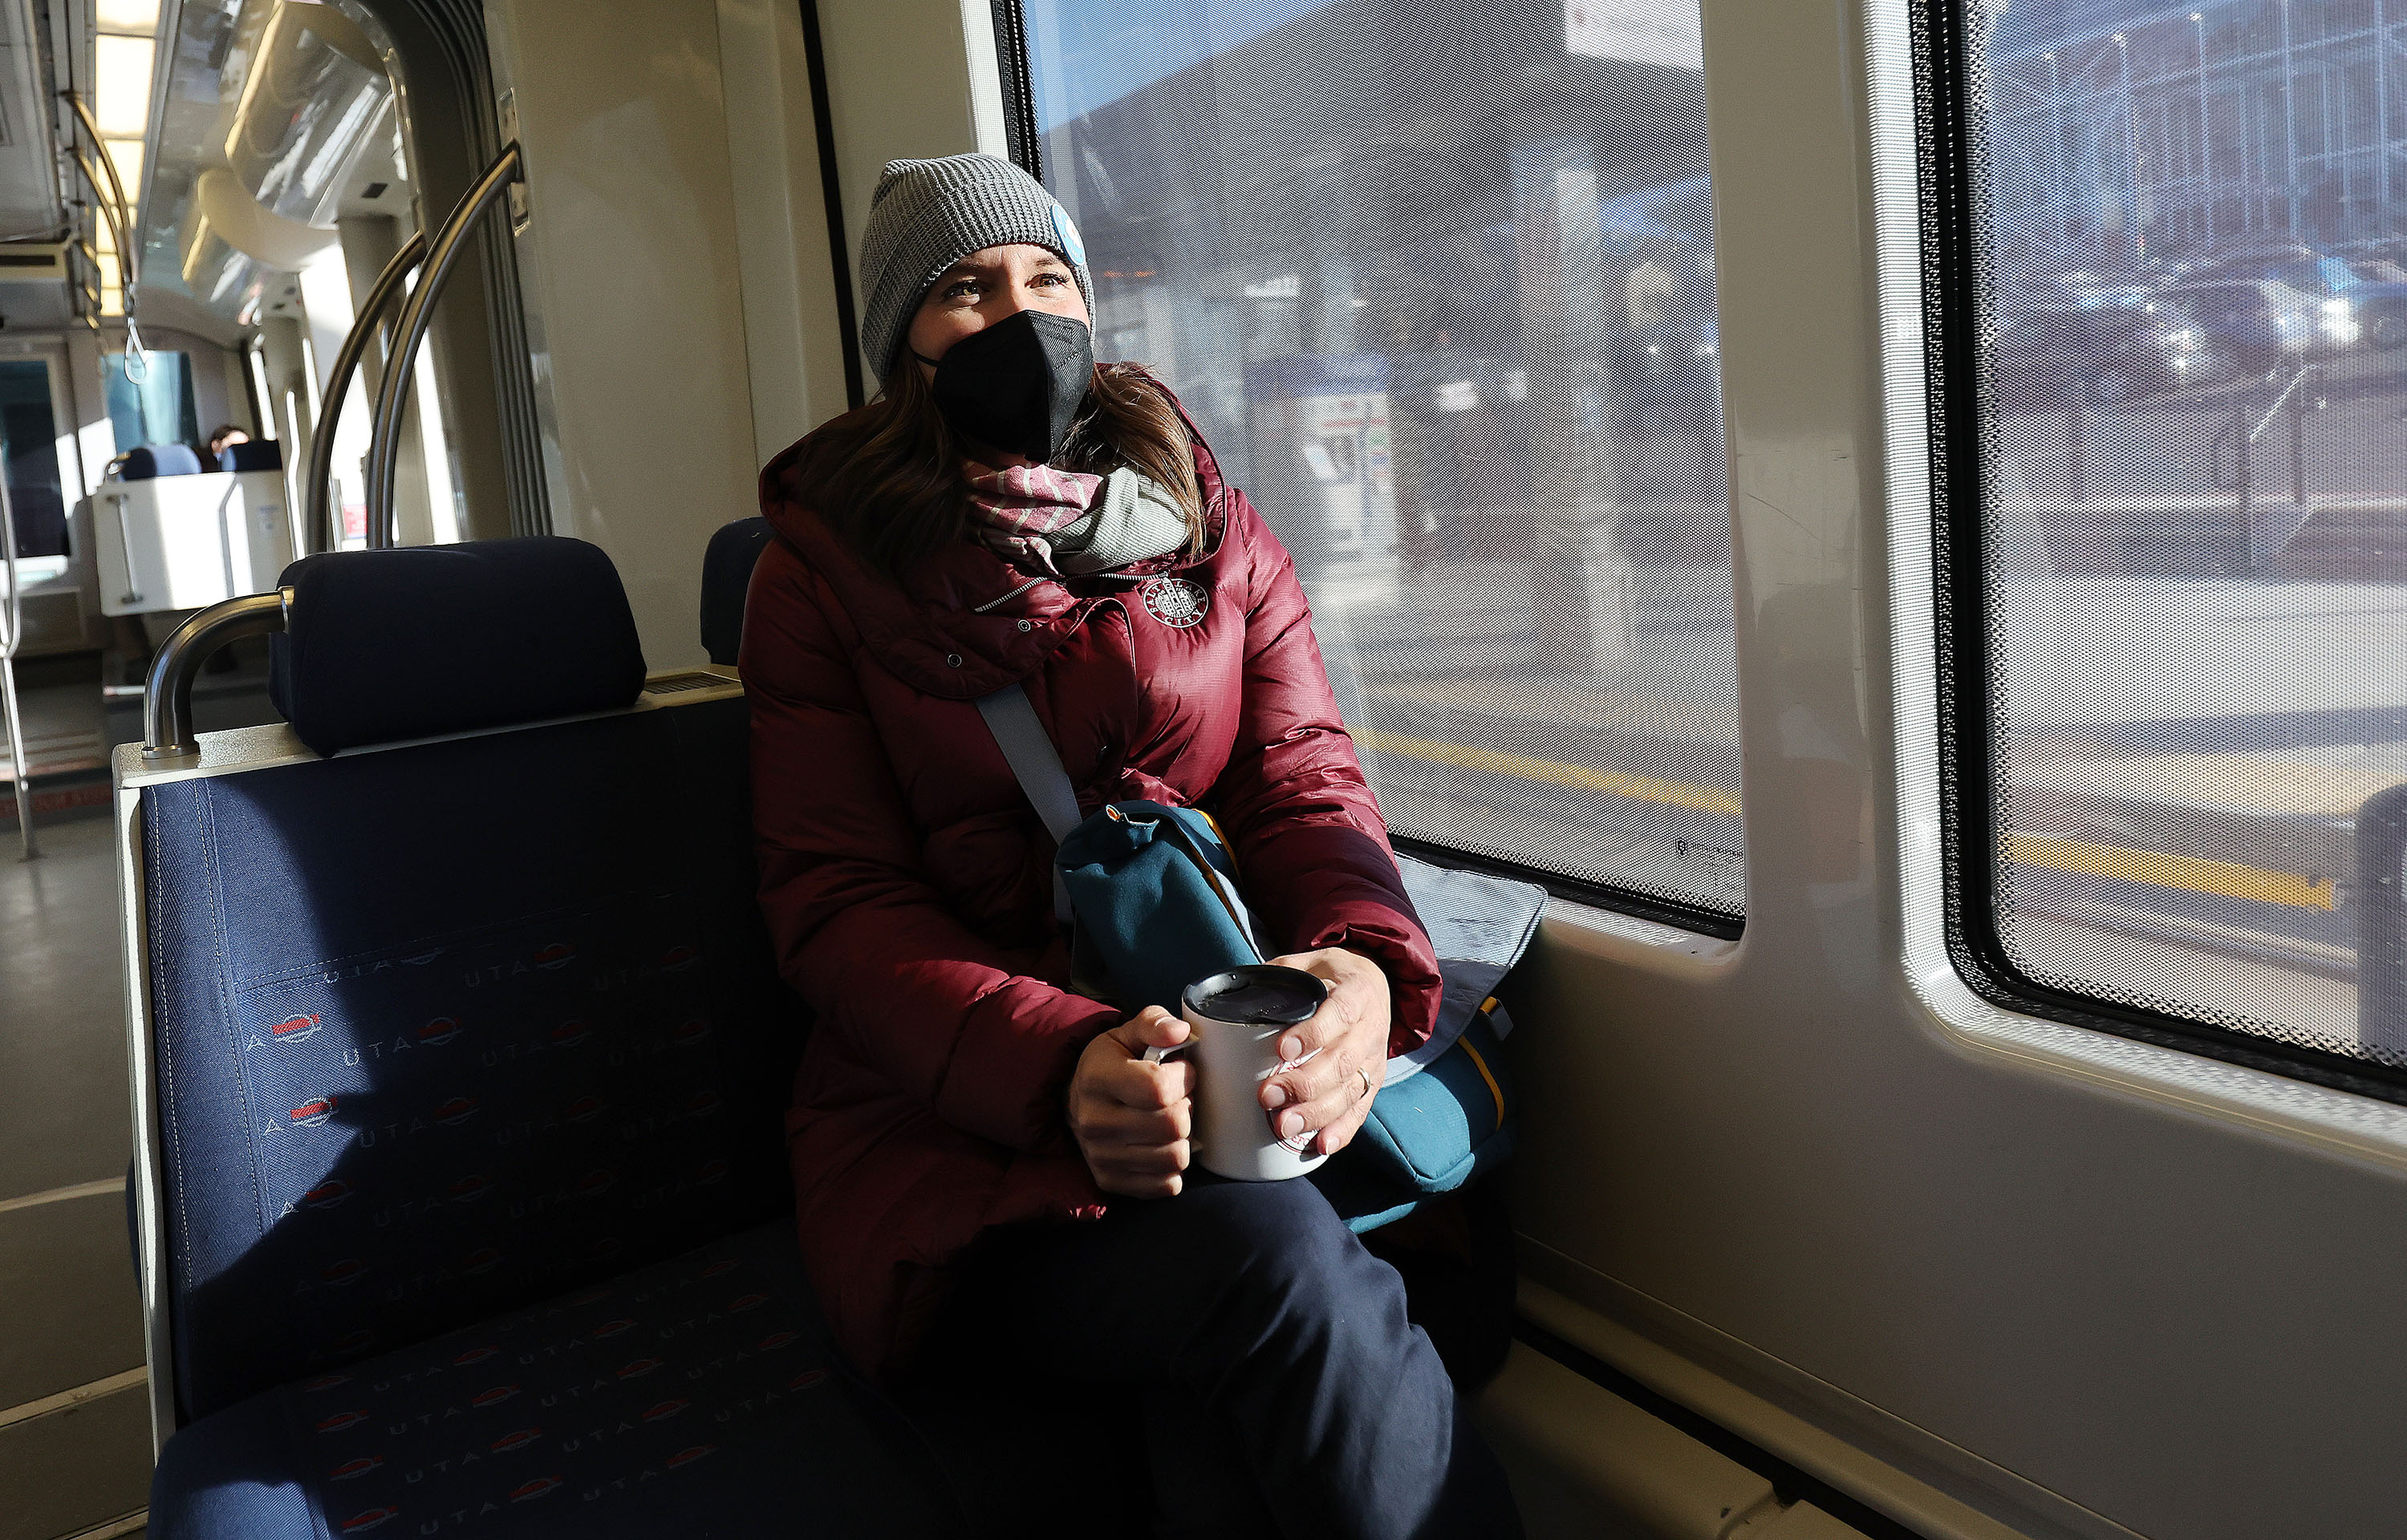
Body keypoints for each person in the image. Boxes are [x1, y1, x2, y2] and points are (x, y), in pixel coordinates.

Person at [741, 154, 1520, 1538]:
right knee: (1271, 1267)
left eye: (1048, 279)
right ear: (899, 351)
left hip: (1217, 1055)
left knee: (1419, 1270)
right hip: (955, 1127)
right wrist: (1061, 1070)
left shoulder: (1203, 515)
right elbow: (839, 907)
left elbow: (1302, 780)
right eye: (964, 292)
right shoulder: (817, 571)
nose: (1018, 316)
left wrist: (1355, 970)